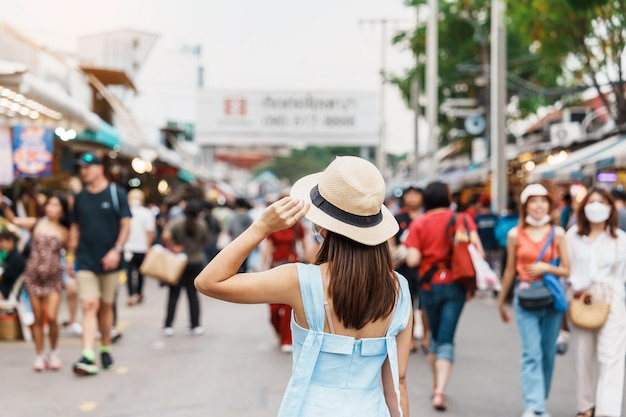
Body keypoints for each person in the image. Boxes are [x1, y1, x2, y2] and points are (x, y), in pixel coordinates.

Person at [195, 156, 413, 417]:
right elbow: (397, 382)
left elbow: (209, 282)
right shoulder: (399, 288)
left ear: (322, 225)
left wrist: (261, 227)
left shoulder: (299, 280)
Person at [404, 181, 484, 411]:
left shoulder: (419, 223)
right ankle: (440, 390)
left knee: (436, 337)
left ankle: (435, 384)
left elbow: (412, 260)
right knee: (447, 338)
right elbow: (478, 250)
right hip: (456, 284)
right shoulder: (462, 219)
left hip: (429, 285)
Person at [498, 183, 571, 417]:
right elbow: (510, 270)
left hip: (551, 297)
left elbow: (568, 270)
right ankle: (534, 405)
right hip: (525, 297)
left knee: (548, 352)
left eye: (543, 201)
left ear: (549, 205)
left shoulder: (557, 233)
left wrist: (545, 267)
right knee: (531, 353)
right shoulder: (514, 234)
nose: (538, 205)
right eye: (533, 201)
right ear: (525, 206)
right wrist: (501, 301)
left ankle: (540, 400)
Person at [67, 152, 131, 376]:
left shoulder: (117, 193)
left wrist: (117, 250)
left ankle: (104, 347)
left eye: (88, 167)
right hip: (85, 260)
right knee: (89, 305)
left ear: (99, 168)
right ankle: (88, 354)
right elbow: (75, 229)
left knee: (105, 307)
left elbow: (125, 224)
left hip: (111, 261)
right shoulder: (80, 198)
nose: (84, 171)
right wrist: (70, 256)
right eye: (81, 168)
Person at [565, 187, 626, 417]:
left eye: (602, 201)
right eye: (592, 201)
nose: (597, 206)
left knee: (612, 360)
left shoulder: (621, 239)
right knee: (583, 358)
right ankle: (585, 407)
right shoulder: (572, 236)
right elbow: (566, 270)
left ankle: (607, 413)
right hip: (581, 300)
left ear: (611, 208)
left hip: (613, 301)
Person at [2, 193, 70, 371]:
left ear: (62, 210)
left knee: (53, 317)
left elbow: (72, 252)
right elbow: (14, 220)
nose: (51, 208)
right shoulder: (37, 223)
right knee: (38, 318)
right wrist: (4, 204)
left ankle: (54, 352)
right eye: (49, 205)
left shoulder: (65, 231)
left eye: (56, 205)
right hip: (33, 276)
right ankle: (40, 355)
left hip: (54, 277)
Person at [261, 200, 306, 353]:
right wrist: (263, 267)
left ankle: (287, 339)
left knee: (288, 307)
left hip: (293, 266)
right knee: (274, 308)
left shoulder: (297, 226)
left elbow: (303, 245)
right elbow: (268, 248)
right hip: (275, 267)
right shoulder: (273, 226)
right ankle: (280, 333)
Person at [161, 200, 209, 336]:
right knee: (192, 295)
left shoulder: (176, 223)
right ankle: (196, 325)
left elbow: (165, 236)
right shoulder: (202, 224)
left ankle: (168, 325)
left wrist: (173, 247)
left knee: (173, 294)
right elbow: (205, 240)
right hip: (196, 262)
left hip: (178, 263)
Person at [390, 184, 428, 353]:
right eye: (409, 195)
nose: (412, 198)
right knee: (408, 305)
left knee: (426, 304)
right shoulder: (398, 218)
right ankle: (410, 339)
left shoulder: (427, 217)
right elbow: (391, 243)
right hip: (404, 269)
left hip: (426, 267)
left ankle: (427, 336)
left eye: (416, 194)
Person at [124, 189, 155, 306]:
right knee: (141, 273)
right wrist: (148, 247)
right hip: (142, 248)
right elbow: (150, 232)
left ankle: (131, 295)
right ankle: (140, 293)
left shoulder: (126, 212)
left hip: (128, 248)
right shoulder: (147, 213)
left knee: (129, 274)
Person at [226, 197, 254, 273]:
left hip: (234, 243)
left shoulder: (233, 217)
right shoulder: (249, 216)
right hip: (247, 244)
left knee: (235, 265)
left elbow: (229, 230)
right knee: (245, 264)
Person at [0, 230, 25, 301]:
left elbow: (4, 276)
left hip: (8, 291)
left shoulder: (16, 258)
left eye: (1, 241)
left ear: (10, 241)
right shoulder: (11, 256)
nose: (0, 244)